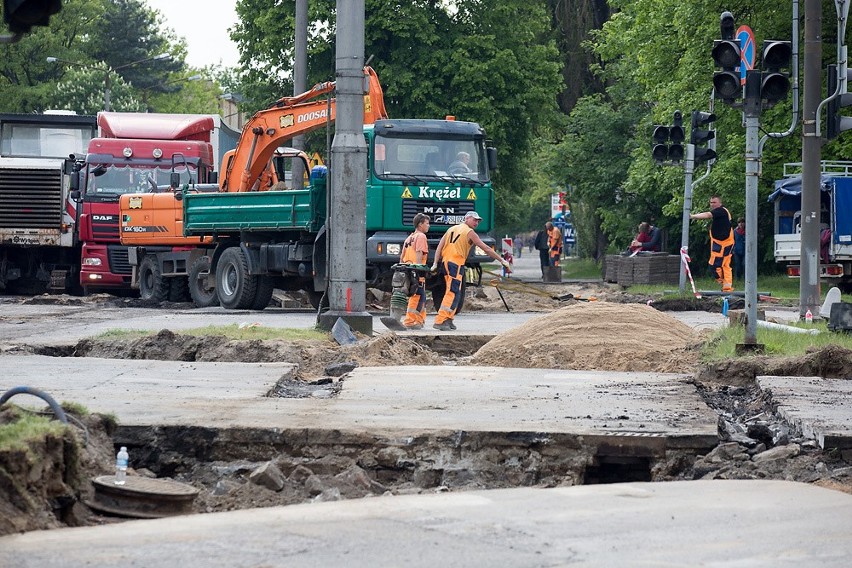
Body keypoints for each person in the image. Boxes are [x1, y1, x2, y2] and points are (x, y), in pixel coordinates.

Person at [431, 211, 511, 331]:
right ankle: (441, 320)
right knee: (452, 292)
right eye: (474, 220)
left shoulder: (451, 229)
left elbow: (440, 247)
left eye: (478, 221)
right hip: (455, 263)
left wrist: (435, 263)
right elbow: (486, 248)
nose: (476, 223)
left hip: (447, 263)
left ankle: (449, 319)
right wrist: (501, 260)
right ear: (467, 219)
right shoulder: (469, 232)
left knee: (455, 291)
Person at [690, 195, 734, 292]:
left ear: (720, 203)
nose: (712, 204)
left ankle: (727, 287)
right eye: (711, 202)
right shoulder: (718, 213)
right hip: (717, 241)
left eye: (714, 202)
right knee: (714, 264)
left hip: (725, 243)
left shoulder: (721, 211)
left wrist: (692, 216)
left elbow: (707, 215)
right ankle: (724, 284)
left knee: (722, 264)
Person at [400, 213, 430, 330]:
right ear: (420, 224)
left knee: (419, 295)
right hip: (416, 271)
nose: (429, 226)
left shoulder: (409, 238)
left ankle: (419, 320)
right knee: (418, 296)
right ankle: (411, 321)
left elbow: (402, 257)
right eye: (427, 223)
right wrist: (419, 270)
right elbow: (419, 253)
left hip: (408, 269)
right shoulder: (421, 236)